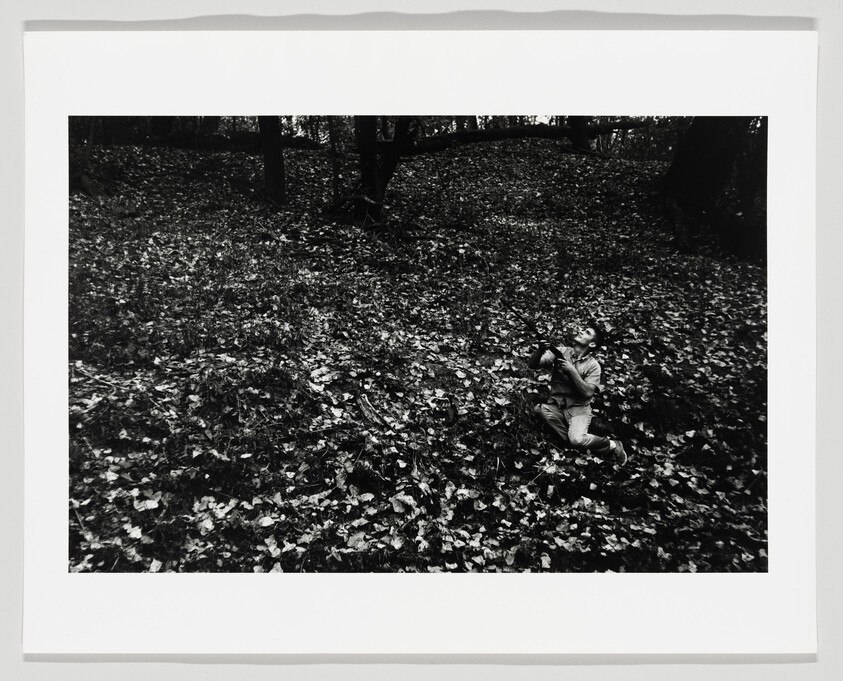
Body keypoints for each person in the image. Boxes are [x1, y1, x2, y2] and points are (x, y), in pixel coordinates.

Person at [528, 321, 627, 465]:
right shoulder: (561, 351)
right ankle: (573, 444)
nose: (581, 331)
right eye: (583, 330)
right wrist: (539, 350)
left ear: (592, 344)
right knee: (540, 410)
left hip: (579, 410)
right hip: (557, 406)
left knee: (576, 439)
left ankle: (611, 445)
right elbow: (533, 365)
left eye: (587, 332)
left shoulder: (593, 366)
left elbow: (587, 393)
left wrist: (572, 371)